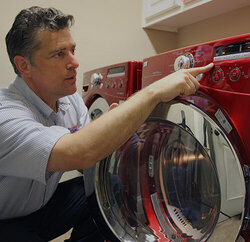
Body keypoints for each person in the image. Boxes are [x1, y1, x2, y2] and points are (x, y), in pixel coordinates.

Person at [0, 6, 214, 242]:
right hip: (5, 220)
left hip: (41, 207)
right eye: (59, 54)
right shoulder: (6, 114)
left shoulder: (67, 98)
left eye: (72, 50)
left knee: (105, 189)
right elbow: (79, 152)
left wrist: (114, 129)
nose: (74, 62)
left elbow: (89, 164)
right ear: (24, 66)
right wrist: (154, 91)